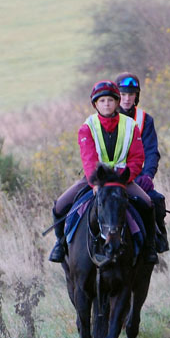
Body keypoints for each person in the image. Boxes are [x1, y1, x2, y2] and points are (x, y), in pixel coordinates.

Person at [48, 80, 158, 265]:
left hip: (122, 180)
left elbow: (137, 158)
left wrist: (124, 178)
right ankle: (60, 244)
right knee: (60, 205)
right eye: (102, 101)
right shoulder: (87, 127)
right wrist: (96, 184)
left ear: (116, 103)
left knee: (148, 204)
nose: (106, 104)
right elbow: (89, 159)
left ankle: (149, 247)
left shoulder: (131, 126)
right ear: (95, 104)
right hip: (95, 180)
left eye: (110, 100)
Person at [116, 72, 168, 252]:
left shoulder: (145, 119)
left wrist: (148, 175)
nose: (127, 99)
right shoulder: (105, 115)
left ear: (136, 96)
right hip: (107, 177)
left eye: (131, 95)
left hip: (135, 178)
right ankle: (66, 243)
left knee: (156, 201)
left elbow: (152, 151)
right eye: (123, 94)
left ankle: (156, 243)